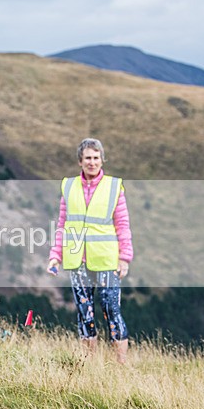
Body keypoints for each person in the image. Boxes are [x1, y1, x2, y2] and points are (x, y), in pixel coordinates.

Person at [47, 138, 133, 364]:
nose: (92, 162)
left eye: (96, 158)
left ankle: (120, 364)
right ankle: (89, 363)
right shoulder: (69, 186)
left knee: (111, 310)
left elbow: (122, 224)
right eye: (88, 158)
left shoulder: (114, 187)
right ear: (80, 161)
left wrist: (124, 258)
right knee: (84, 313)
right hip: (77, 259)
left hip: (107, 259)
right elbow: (63, 224)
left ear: (102, 159)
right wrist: (56, 255)